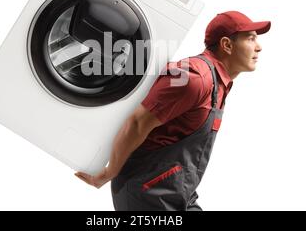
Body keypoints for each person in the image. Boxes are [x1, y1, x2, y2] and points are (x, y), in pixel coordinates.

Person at [75, 11, 271, 211]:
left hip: (178, 192)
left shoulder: (219, 83)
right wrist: (109, 172)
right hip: (147, 195)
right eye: (251, 38)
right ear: (227, 45)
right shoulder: (194, 78)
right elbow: (137, 123)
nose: (259, 47)